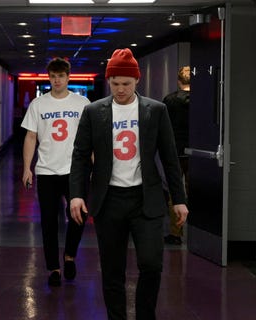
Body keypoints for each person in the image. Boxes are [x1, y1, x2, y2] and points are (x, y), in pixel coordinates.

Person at [69, 48, 188, 320]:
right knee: (112, 270)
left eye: (126, 84)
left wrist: (179, 199)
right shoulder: (93, 111)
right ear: (108, 82)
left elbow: (170, 157)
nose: (120, 89)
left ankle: (146, 315)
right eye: (115, 83)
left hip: (145, 199)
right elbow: (79, 155)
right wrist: (76, 194)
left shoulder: (155, 110)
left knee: (151, 264)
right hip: (108, 200)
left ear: (137, 81)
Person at [21, 57, 91, 287]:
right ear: (48, 77)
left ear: (68, 77)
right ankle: (54, 268)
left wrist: (96, 167)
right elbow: (31, 137)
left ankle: (70, 255)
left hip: (75, 172)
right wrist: (27, 168)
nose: (57, 80)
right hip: (47, 171)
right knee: (48, 221)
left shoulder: (82, 103)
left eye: (61, 76)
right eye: (53, 76)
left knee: (78, 217)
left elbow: (90, 139)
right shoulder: (38, 105)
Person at [162, 66, 191, 245]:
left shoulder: (169, 100)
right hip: (197, 153)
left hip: (174, 152)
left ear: (179, 81)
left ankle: (176, 232)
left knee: (175, 191)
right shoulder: (204, 99)